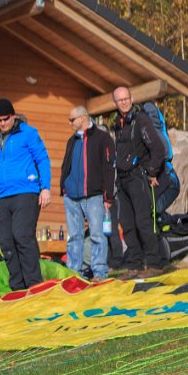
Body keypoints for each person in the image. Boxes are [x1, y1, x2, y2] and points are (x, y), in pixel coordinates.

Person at [0, 98, 52, 291]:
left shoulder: (28, 133)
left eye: (6, 119)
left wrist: (45, 187)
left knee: (22, 235)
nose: (3, 123)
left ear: (13, 116)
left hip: (27, 191)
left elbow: (43, 159)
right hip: (3, 196)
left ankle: (34, 285)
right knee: (5, 240)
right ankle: (18, 288)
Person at [112, 86, 168, 279]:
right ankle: (134, 266)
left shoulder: (140, 119)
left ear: (131, 98)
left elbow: (158, 149)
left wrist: (152, 172)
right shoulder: (117, 124)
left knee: (143, 222)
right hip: (122, 180)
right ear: (116, 103)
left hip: (138, 177)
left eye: (126, 98)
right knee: (127, 224)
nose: (124, 102)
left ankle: (154, 264)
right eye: (120, 100)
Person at [60, 106, 115, 280]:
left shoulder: (102, 138)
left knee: (97, 234)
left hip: (94, 195)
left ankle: (99, 272)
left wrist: (108, 196)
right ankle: (73, 274)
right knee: (74, 236)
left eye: (72, 120)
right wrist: (64, 188)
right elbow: (66, 165)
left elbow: (109, 168)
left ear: (82, 118)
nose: (69, 123)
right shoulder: (72, 141)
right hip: (71, 197)